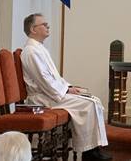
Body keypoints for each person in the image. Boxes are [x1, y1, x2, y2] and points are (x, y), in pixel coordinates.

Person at [20, 13, 110, 161]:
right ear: (33, 29)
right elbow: (44, 80)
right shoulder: (30, 51)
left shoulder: (39, 48)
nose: (48, 26)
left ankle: (94, 148)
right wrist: (66, 90)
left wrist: (68, 87)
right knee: (88, 104)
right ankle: (88, 152)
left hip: (50, 93)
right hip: (41, 99)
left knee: (94, 100)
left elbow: (53, 77)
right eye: (44, 24)